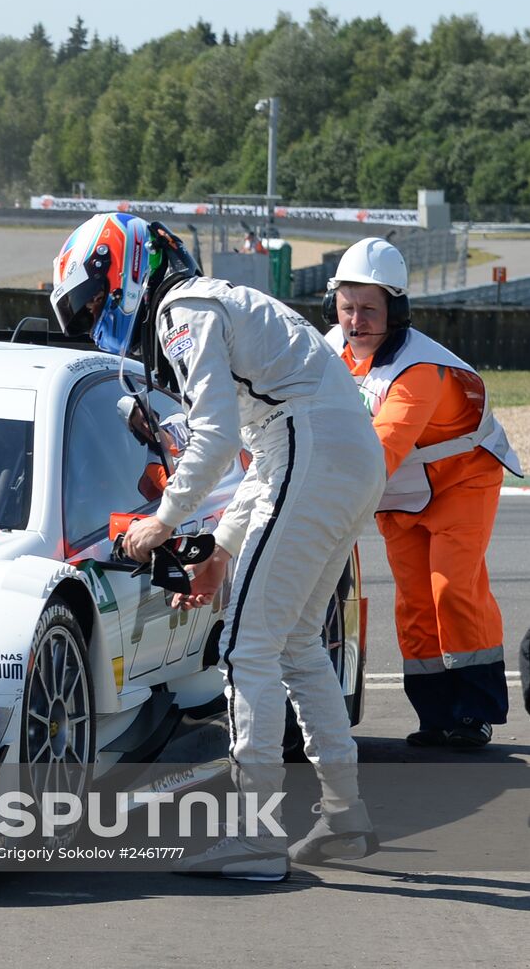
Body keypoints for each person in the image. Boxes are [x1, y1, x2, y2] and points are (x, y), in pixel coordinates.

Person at [50, 212, 386, 881]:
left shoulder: (185, 306)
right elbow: (264, 453)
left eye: (91, 304)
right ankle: (342, 812)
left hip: (311, 451)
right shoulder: (219, 303)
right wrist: (222, 546)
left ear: (121, 271)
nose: (93, 321)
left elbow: (210, 439)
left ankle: (255, 840)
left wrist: (162, 524)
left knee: (244, 646)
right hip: (337, 456)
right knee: (290, 643)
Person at [323, 237, 522, 748]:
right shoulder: (326, 354)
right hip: (401, 494)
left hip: (462, 481)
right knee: (414, 602)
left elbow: (381, 449)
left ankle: (474, 711)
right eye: (347, 307)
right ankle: (436, 715)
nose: (356, 320)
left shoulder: (418, 370)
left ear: (397, 310)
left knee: (451, 588)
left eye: (370, 309)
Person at [117, 394, 190, 500]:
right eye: (140, 426)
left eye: (145, 419)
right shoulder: (154, 466)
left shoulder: (180, 420)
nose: (147, 427)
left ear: (153, 414)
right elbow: (178, 494)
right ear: (136, 433)